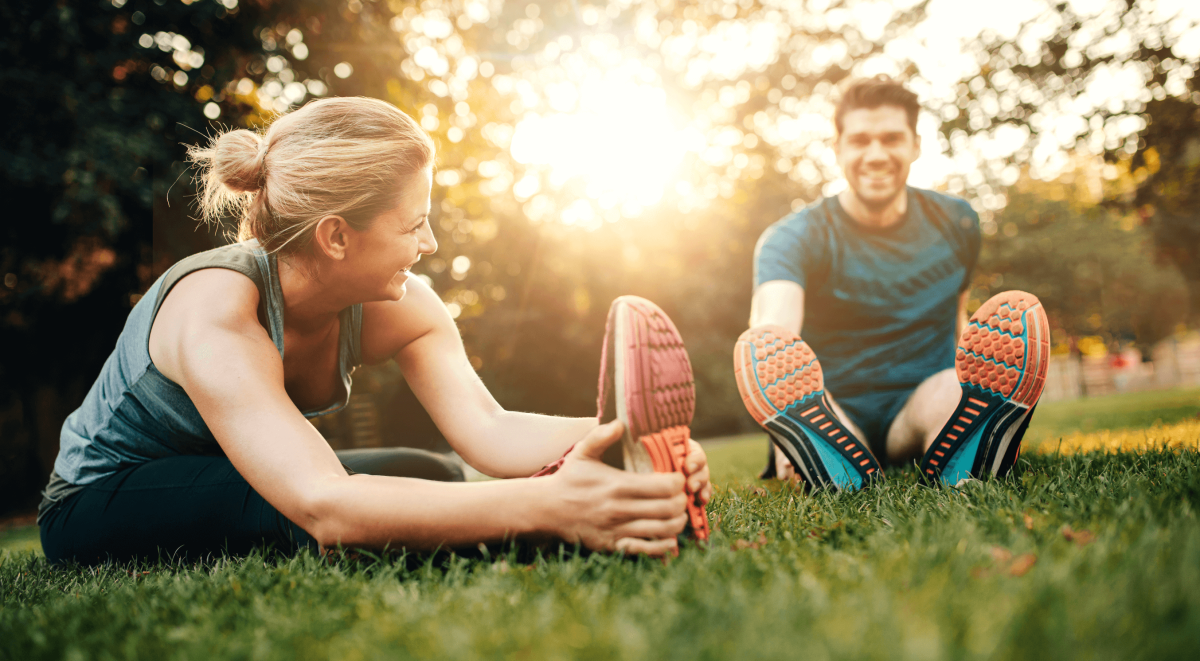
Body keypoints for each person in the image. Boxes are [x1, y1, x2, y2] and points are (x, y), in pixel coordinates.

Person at [38, 97, 711, 566]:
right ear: (336, 236)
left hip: (224, 474)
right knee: (303, 512)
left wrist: (629, 438)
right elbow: (327, 504)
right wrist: (551, 505)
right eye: (413, 223)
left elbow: (492, 431)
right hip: (102, 498)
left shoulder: (403, 303)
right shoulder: (217, 309)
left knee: (436, 475)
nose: (431, 240)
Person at [733, 76, 1050, 490]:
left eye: (891, 139)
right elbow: (773, 334)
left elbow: (956, 315)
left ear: (915, 145)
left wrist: (973, 376)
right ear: (838, 149)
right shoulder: (793, 237)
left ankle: (973, 442)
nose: (876, 154)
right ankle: (812, 448)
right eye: (861, 140)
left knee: (953, 395)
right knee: (816, 407)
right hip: (834, 405)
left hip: (920, 400)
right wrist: (776, 418)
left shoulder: (957, 222)